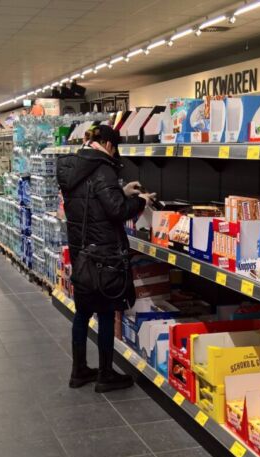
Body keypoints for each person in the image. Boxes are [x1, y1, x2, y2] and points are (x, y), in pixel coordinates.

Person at [57, 125, 156, 392]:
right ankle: (105, 374)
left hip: (81, 252)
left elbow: (90, 198)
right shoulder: (103, 168)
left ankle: (78, 371)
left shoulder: (72, 165)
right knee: (105, 312)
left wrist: (121, 191)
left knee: (82, 313)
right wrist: (141, 201)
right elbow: (116, 211)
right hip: (104, 254)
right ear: (109, 145)